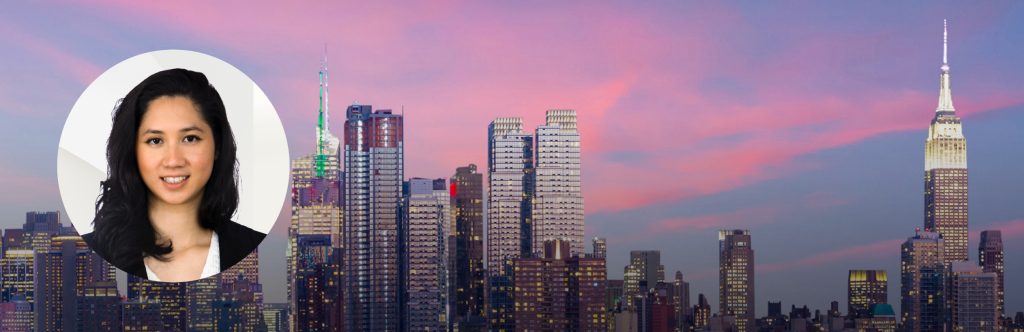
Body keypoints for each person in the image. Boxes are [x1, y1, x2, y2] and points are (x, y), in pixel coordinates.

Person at [82, 68, 264, 282]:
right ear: (133, 152)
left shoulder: (253, 246)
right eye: (155, 141)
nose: (173, 160)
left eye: (190, 138)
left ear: (217, 147)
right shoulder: (89, 253)